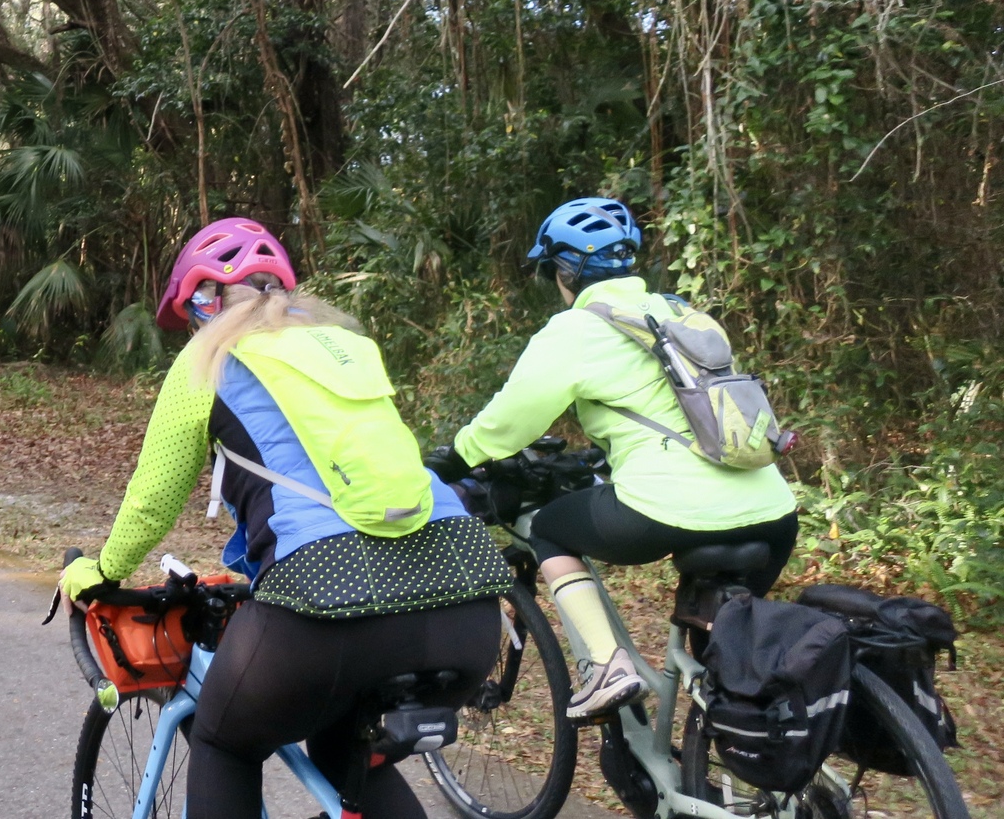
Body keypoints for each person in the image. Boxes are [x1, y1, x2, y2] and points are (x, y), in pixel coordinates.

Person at [60, 217, 514, 819]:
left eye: (195, 309)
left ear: (208, 300)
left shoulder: (208, 357)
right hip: (467, 604)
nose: (195, 325)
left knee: (225, 742)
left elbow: (153, 495)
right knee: (348, 755)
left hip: (329, 605)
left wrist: (101, 570)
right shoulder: (346, 348)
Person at [425, 197, 800, 722]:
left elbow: (508, 424)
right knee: (724, 668)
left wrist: (453, 461)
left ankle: (606, 667)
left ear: (563, 271)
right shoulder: (682, 312)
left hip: (671, 513)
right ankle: (735, 764)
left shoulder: (576, 330)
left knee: (551, 531)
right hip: (774, 509)